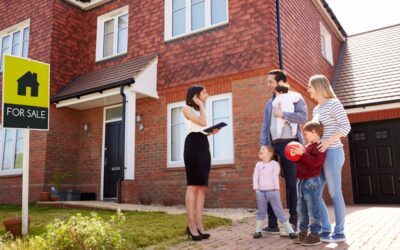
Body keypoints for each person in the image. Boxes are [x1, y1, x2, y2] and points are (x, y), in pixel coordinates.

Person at [260, 69, 308, 234]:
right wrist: (264, 146)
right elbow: (265, 126)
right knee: (269, 184)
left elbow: (303, 118)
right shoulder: (268, 103)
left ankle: (293, 222)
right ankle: (272, 224)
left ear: (280, 82)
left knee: (291, 184)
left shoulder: (296, 98)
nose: (268, 85)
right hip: (273, 146)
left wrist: (284, 114)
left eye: (270, 81)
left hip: (290, 144)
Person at [307, 75, 351, 243]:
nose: (308, 90)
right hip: (320, 154)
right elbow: (318, 133)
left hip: (333, 152)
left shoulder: (334, 104)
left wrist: (327, 142)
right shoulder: (316, 109)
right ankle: (326, 228)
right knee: (314, 192)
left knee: (334, 192)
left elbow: (345, 127)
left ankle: (339, 232)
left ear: (318, 86)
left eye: (310, 87)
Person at [182, 85, 219, 241]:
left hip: (203, 145)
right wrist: (202, 106)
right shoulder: (186, 108)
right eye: (204, 92)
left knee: (202, 187)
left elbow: (202, 129)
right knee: (193, 185)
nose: (207, 94)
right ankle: (191, 226)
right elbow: (202, 122)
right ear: (195, 95)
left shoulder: (198, 110)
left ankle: (199, 225)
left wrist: (211, 133)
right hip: (192, 146)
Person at [291, 121, 326, 246]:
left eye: (306, 134)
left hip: (311, 182)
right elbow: (303, 162)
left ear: (314, 132)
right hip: (301, 182)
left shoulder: (319, 146)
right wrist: (296, 156)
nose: (305, 137)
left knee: (313, 209)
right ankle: (303, 233)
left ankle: (315, 234)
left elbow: (316, 163)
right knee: (301, 210)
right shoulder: (307, 147)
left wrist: (303, 155)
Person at [252, 146, 296, 239]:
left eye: (263, 149)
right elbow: (255, 176)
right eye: (260, 149)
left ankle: (290, 231)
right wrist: (256, 188)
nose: (261, 150)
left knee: (279, 211)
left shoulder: (274, 164)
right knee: (261, 211)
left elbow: (275, 176)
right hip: (261, 192)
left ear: (270, 154)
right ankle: (258, 231)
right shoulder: (258, 165)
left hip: (273, 191)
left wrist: (276, 189)